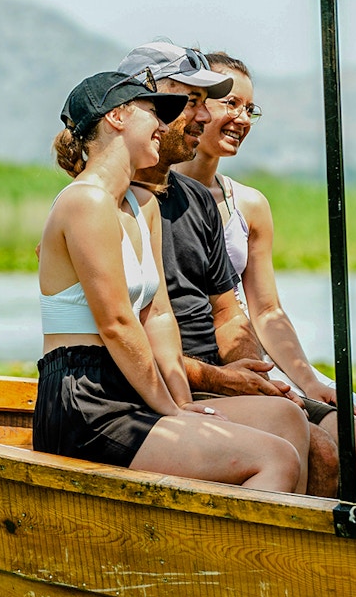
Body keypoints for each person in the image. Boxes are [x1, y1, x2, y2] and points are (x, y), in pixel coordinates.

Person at [116, 41, 356, 502]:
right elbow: (128, 334)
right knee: (321, 452)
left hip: (214, 376)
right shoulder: (107, 202)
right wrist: (216, 380)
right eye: (194, 104)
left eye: (208, 104)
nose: (204, 117)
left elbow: (233, 314)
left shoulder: (200, 200)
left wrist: (264, 377)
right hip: (165, 385)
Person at [34, 69, 310, 494]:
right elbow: (117, 324)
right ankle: (241, 559)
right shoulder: (85, 201)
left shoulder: (141, 203)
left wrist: (181, 401)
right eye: (153, 113)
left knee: (284, 418)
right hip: (85, 398)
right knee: (273, 457)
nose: (165, 126)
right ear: (118, 118)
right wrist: (173, 412)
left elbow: (158, 316)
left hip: (137, 387)